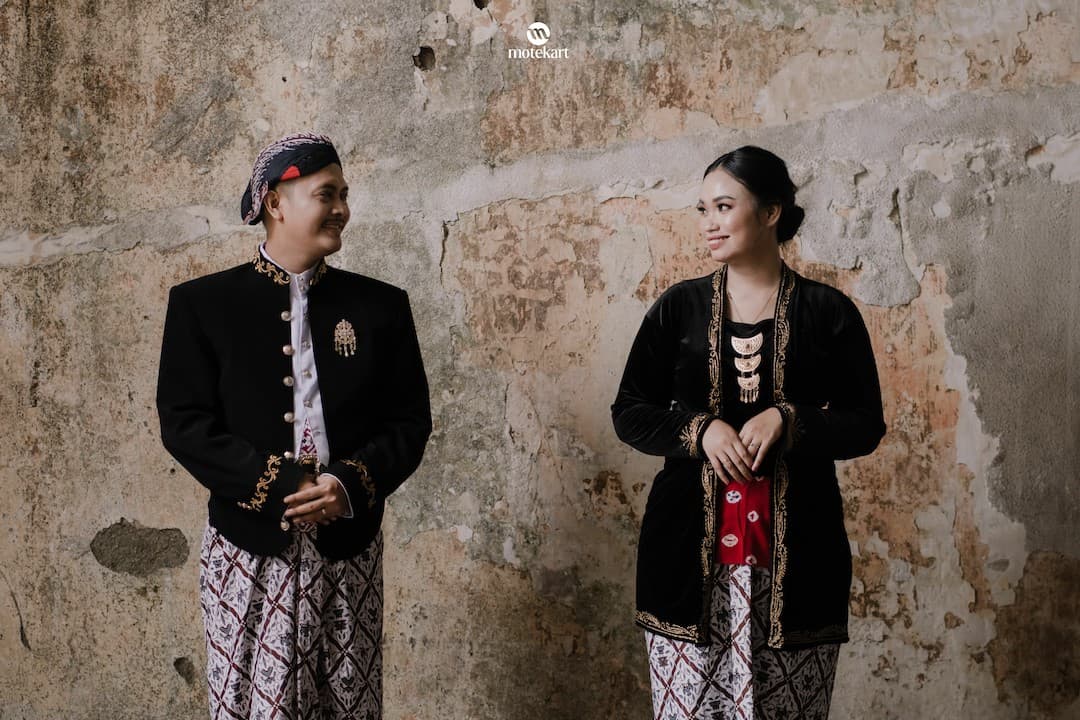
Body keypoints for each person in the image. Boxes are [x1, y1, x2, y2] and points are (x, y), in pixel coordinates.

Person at [156, 133, 432, 719]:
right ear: (275, 203)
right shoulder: (202, 305)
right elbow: (184, 424)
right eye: (326, 194)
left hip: (348, 547)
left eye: (344, 195)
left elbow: (409, 423)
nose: (342, 209)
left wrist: (347, 485)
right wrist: (280, 483)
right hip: (247, 548)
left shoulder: (382, 307)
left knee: (349, 706)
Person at [611, 146, 885, 719]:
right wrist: (700, 431)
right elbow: (629, 411)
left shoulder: (828, 312)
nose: (708, 223)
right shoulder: (678, 308)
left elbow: (865, 423)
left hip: (797, 563)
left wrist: (791, 418)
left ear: (770, 212)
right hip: (688, 564)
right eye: (702, 209)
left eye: (723, 206)